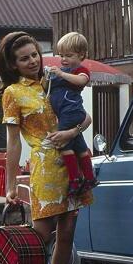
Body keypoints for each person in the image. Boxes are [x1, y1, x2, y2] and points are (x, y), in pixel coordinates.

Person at [0, 31, 94, 264]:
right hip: (44, 168)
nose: (32, 61)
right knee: (36, 238)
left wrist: (72, 133)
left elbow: (84, 117)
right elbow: (13, 143)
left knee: (67, 234)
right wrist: (10, 185)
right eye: (24, 58)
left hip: (72, 164)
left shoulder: (56, 78)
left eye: (35, 54)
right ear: (13, 64)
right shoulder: (13, 93)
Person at [45, 32, 99, 195]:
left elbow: (82, 80)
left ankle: (74, 179)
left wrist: (61, 74)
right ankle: (89, 177)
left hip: (71, 112)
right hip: (67, 114)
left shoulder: (80, 70)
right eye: (61, 55)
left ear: (81, 55)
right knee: (80, 146)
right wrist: (49, 77)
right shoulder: (63, 70)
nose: (63, 59)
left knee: (64, 146)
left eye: (68, 55)